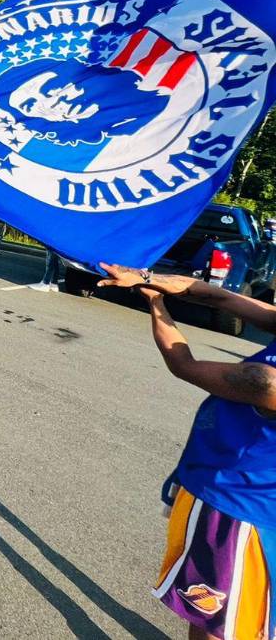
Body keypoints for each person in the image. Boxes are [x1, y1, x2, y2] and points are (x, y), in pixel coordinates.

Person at [97, 263, 276, 640]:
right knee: (251, 616)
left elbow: (183, 364)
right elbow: (216, 294)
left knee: (215, 623)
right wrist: (145, 278)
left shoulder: (268, 384)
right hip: (257, 503)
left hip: (234, 509)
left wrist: (156, 303)